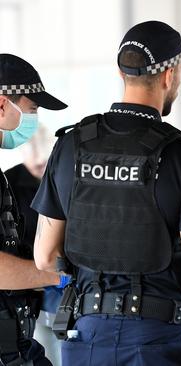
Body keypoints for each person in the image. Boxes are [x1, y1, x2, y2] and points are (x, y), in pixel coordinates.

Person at [31, 21, 181, 365]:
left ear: (123, 74)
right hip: (156, 340)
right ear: (168, 75)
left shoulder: (70, 145)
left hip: (84, 335)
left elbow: (45, 257)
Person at [0, 53, 68, 365]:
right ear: (2, 105)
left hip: (16, 342)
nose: (33, 120)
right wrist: (59, 278)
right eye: (31, 110)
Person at [5, 126, 62, 365]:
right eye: (33, 158)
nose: (39, 163)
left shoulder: (61, 176)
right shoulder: (10, 182)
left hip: (60, 271)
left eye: (44, 159)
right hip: (27, 279)